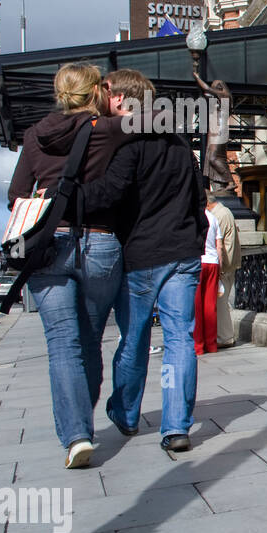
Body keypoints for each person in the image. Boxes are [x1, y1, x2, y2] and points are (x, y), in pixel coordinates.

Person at [80, 69, 208, 454]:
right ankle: (175, 428)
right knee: (179, 339)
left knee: (134, 338)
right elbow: (197, 198)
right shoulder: (181, 144)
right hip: (183, 252)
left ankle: (126, 412)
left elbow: (111, 192)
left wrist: (69, 196)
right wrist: (196, 238)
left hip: (142, 255)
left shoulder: (130, 145)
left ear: (124, 99)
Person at [6, 63, 127, 468]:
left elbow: (15, 194)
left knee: (63, 344)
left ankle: (76, 435)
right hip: (100, 243)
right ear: (95, 90)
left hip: (48, 246)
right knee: (90, 340)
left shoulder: (35, 136)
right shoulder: (109, 130)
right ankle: (83, 421)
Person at [209, 195, 240, 348]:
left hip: (223, 267)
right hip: (228, 265)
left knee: (221, 303)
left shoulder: (219, 215)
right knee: (222, 303)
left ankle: (225, 337)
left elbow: (219, 244)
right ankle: (224, 335)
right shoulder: (223, 212)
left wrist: (219, 268)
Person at [195, 203, 220, 355]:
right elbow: (220, 246)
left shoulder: (193, 217)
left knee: (196, 306)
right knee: (210, 305)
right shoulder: (213, 218)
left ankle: (198, 345)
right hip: (213, 262)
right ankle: (211, 344)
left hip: (198, 261)